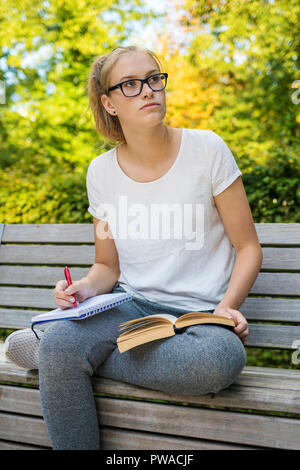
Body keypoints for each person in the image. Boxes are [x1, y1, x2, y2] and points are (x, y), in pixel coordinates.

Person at [4, 45, 263, 450]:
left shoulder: (207, 149)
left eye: (154, 78)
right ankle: (62, 353)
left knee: (220, 362)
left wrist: (227, 308)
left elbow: (248, 247)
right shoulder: (101, 172)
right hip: (129, 308)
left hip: (197, 319)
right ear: (108, 103)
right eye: (130, 84)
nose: (148, 90)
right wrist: (83, 290)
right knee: (62, 344)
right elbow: (107, 266)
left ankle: (64, 357)